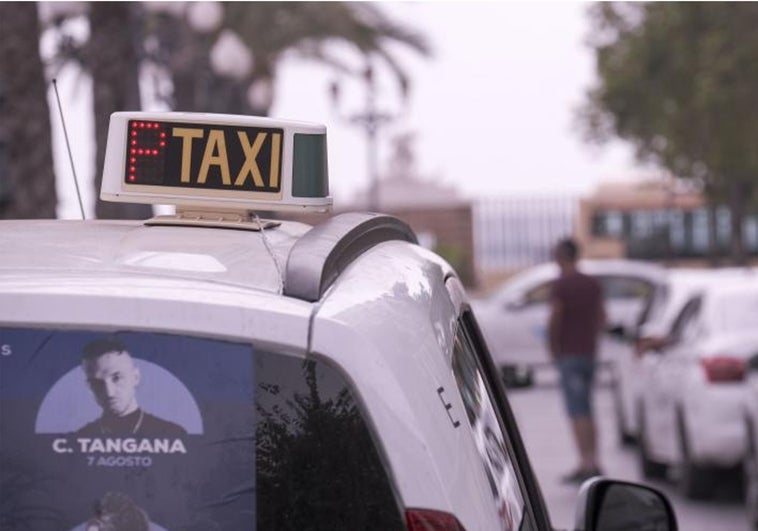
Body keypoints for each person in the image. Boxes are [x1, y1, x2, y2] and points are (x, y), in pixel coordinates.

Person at [547, 238, 606, 484]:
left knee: (577, 410)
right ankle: (594, 459)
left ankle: (586, 463)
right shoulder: (592, 283)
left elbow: (555, 318)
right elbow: (602, 317)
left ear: (561, 256)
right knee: (588, 408)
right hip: (588, 353)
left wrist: (553, 348)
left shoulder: (562, 285)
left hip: (569, 354)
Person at [76, 337, 187, 437]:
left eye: (116, 378)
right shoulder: (81, 438)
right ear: (89, 386)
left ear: (135, 377)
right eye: (97, 383)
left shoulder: (171, 434)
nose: (109, 392)